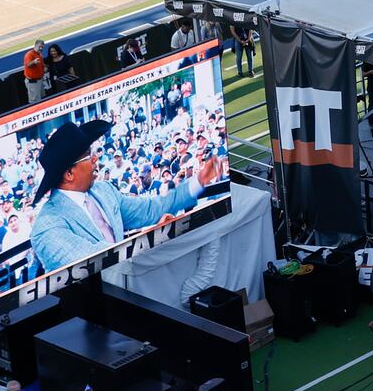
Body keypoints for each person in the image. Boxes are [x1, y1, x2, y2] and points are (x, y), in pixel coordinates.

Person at [21, 115, 225, 280]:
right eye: (87, 154)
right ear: (69, 174)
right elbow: (95, 262)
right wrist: (152, 238)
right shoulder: (46, 227)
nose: (96, 158)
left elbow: (150, 209)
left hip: (132, 288)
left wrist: (198, 181)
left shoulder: (103, 191)